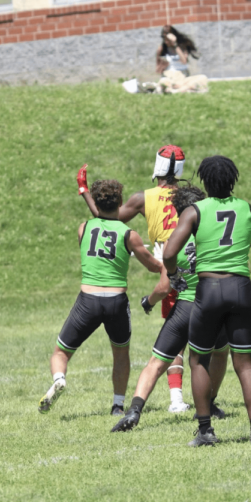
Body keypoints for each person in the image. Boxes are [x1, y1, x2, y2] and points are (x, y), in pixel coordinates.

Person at [163, 156, 251, 446]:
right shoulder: (248, 208)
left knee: (198, 360)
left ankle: (205, 431)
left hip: (208, 289)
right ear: (233, 180)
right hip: (241, 287)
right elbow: (248, 241)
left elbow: (170, 252)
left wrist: (172, 276)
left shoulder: (195, 210)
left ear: (205, 182)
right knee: (246, 364)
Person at [38, 178, 161, 417]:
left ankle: (59, 378)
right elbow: (153, 266)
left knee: (61, 353)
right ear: (121, 203)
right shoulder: (130, 235)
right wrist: (162, 259)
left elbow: (100, 232)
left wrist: (84, 192)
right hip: (116, 301)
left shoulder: (83, 228)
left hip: (88, 300)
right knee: (121, 353)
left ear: (96, 202)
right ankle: (117, 405)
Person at [112, 185, 228, 433]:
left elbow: (165, 287)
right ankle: (209, 402)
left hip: (185, 305)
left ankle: (134, 410)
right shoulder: (215, 237)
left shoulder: (174, 240)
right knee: (219, 353)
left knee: (155, 362)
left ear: (177, 211)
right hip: (213, 306)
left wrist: (148, 302)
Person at [83, 146, 190, 413]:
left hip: (171, 268)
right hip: (198, 263)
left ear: (157, 167)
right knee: (205, 338)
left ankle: (176, 399)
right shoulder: (192, 196)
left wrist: (84, 192)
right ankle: (207, 400)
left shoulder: (143, 198)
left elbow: (105, 217)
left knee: (174, 333)